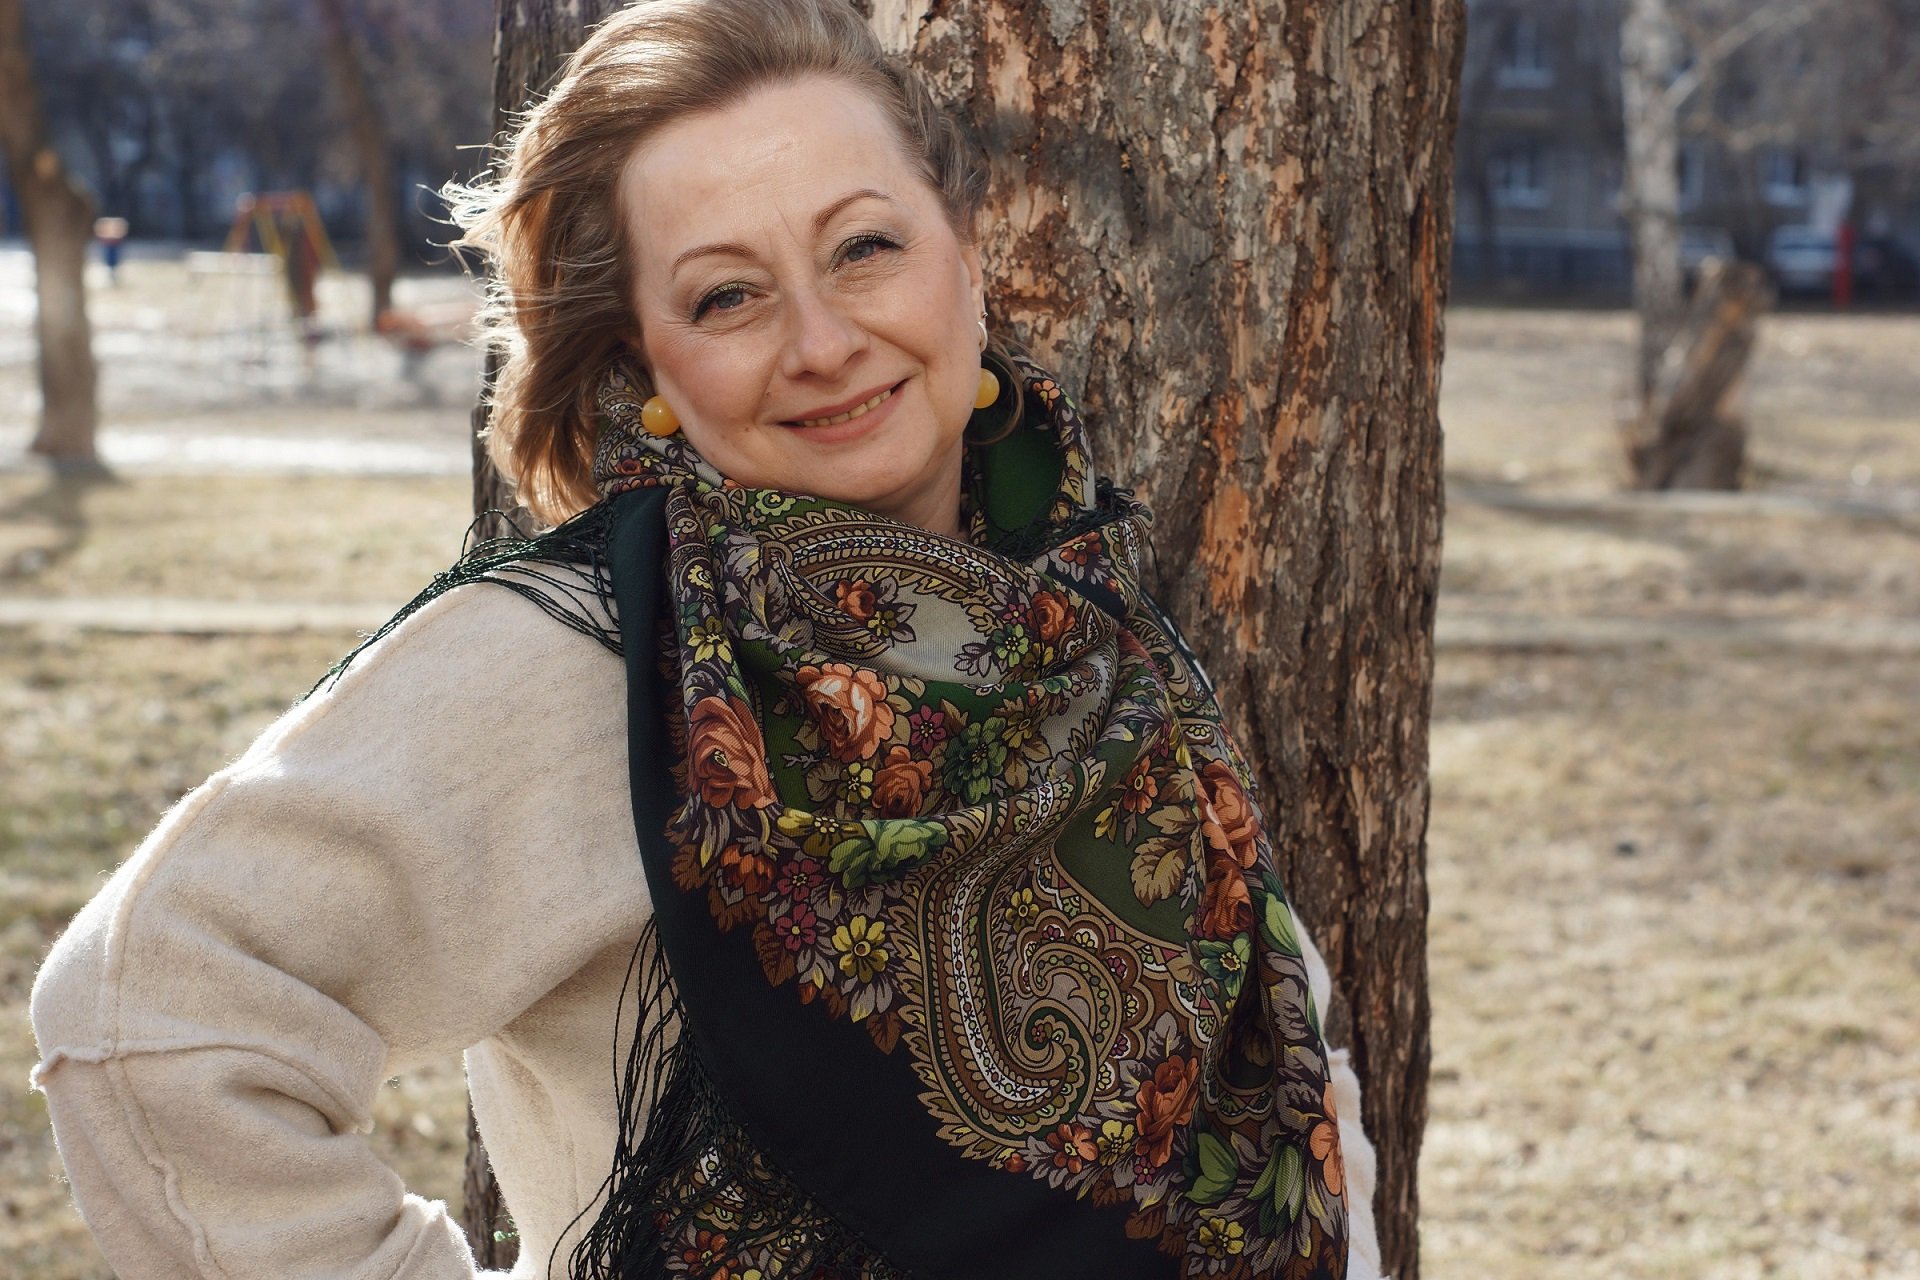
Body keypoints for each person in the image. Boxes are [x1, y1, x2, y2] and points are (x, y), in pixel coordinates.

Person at [29, 2, 1390, 1277]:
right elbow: (148, 1010)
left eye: (865, 249)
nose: (822, 342)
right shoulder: (601, 660)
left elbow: (1279, 1069)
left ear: (967, 257)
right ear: (648, 365)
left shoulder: (1079, 607)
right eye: (728, 297)